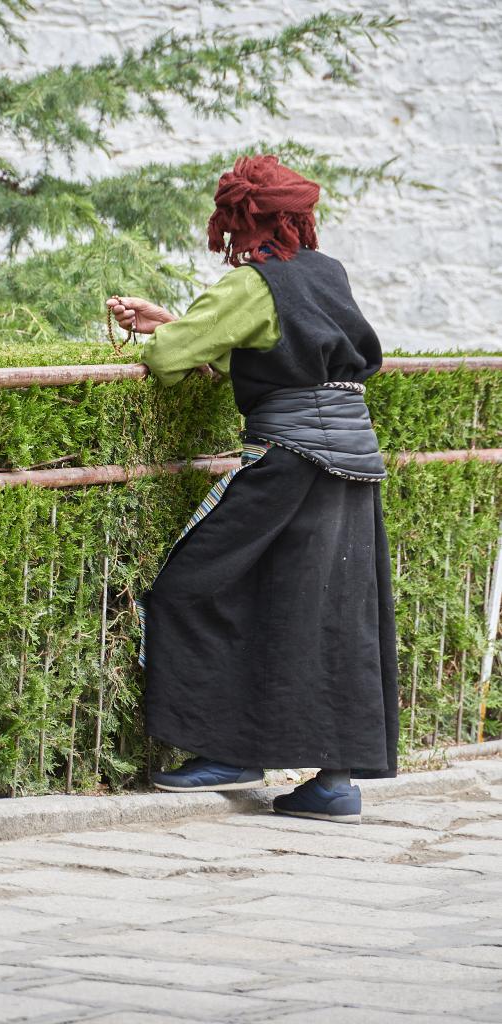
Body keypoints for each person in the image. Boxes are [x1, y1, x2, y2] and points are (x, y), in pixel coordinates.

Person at [106, 154, 399, 825]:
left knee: (190, 587)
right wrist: (179, 321)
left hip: (288, 457)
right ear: (299, 217)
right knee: (326, 609)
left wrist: (165, 335)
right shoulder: (326, 274)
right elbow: (283, 339)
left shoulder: (249, 284)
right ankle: (333, 783)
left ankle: (228, 752)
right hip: (353, 458)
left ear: (235, 222)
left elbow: (169, 359)